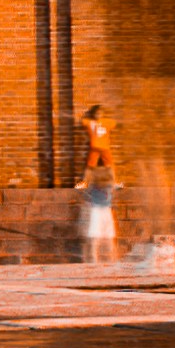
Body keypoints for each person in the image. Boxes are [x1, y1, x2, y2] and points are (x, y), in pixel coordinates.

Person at [76, 99, 118, 261]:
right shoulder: (92, 123)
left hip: (104, 148)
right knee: (91, 165)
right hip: (95, 147)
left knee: (109, 165)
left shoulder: (104, 122)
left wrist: (99, 120)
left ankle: (109, 259)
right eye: (97, 113)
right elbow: (83, 122)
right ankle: (98, 260)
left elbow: (112, 122)